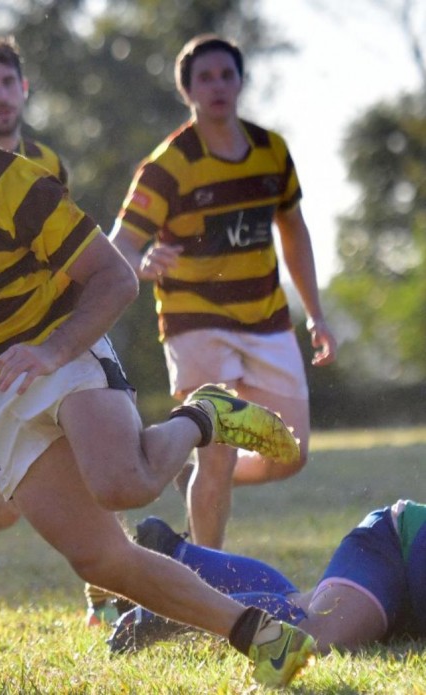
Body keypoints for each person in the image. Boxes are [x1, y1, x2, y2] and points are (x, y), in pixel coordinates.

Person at [0, 5, 314, 688]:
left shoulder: (20, 189)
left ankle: (203, 415)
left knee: (123, 482)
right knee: (101, 561)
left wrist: (52, 348)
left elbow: (115, 278)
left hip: (57, 349)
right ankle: (260, 636)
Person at [110, 34, 338, 549]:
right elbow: (118, 244)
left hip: (267, 319)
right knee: (218, 451)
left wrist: (317, 314)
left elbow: (294, 231)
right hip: (196, 320)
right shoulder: (169, 165)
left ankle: (195, 477)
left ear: (240, 81)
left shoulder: (271, 152)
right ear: (187, 90)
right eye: (205, 78)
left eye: (226, 75)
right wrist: (143, 263)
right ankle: (208, 582)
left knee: (291, 454)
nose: (217, 86)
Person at [0, 34, 116, 627]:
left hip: (36, 345)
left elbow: (68, 252)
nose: (0, 96)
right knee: (3, 507)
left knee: (85, 463)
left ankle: (103, 591)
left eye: (8, 83)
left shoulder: (47, 167)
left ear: (24, 89)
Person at [109, 499, 426, 654]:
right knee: (319, 635)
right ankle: (168, 613)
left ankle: (180, 554)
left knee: (297, 605)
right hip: (396, 543)